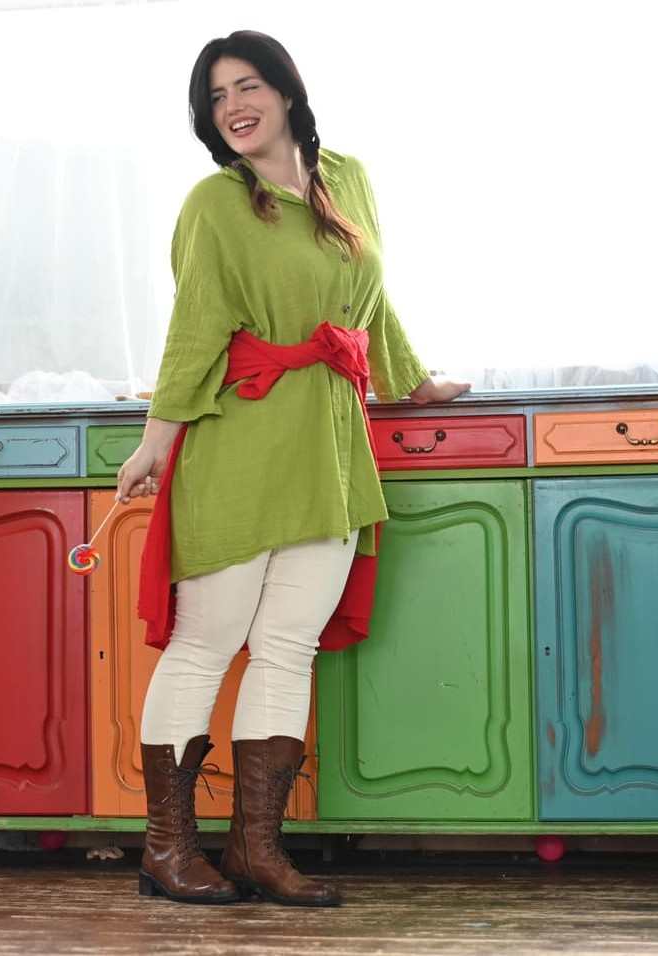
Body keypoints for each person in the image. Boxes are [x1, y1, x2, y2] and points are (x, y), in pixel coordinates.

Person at [115, 30, 470, 908]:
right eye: (215, 97)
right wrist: (156, 440)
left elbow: (371, 304)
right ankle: (167, 849)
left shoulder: (347, 177)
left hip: (330, 448)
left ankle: (256, 852)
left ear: (285, 90)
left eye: (247, 86)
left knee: (287, 648)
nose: (232, 107)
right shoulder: (214, 204)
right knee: (205, 645)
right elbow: (195, 328)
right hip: (240, 441)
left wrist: (412, 381)